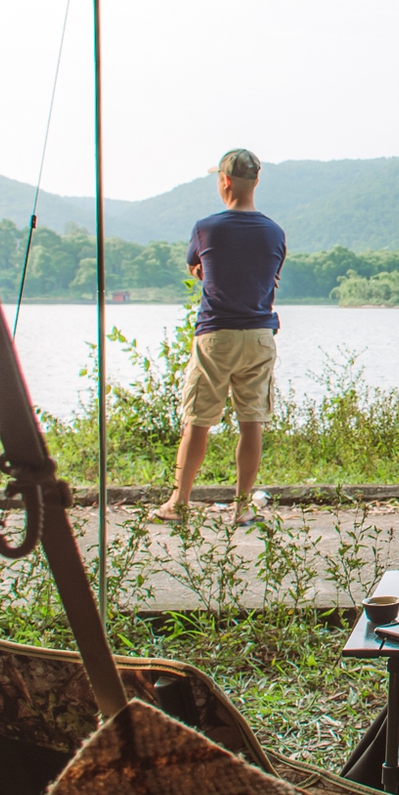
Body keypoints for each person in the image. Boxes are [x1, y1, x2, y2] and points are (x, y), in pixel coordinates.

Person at [159, 149, 287, 521]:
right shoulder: (275, 231)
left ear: (225, 181)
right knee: (252, 422)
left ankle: (179, 503)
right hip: (260, 335)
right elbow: (270, 276)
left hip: (216, 334)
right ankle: (243, 508)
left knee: (197, 421)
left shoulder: (206, 227)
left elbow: (196, 267)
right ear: (256, 182)